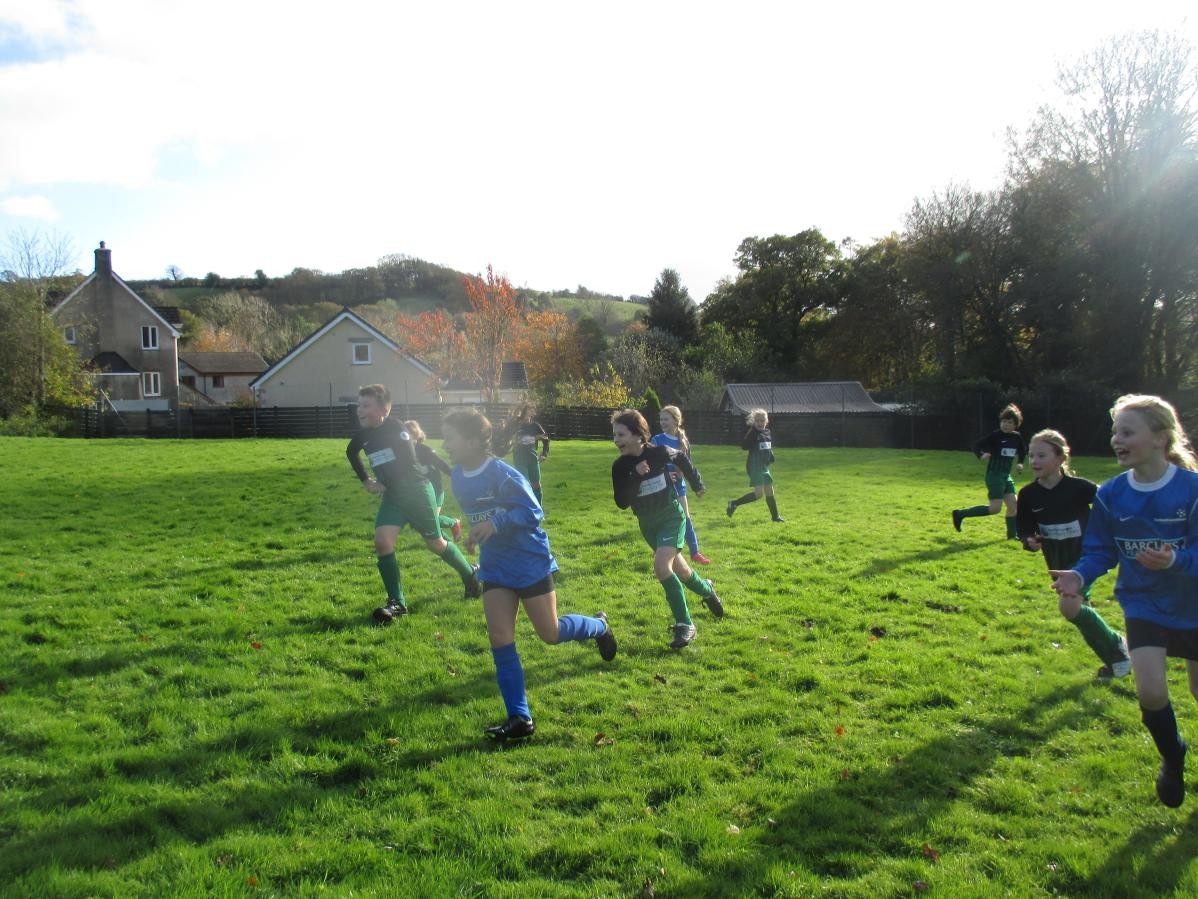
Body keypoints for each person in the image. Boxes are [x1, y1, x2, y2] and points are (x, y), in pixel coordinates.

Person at [1049, 395, 1198, 808]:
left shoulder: (1191, 490)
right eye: (1115, 432)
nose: (1117, 439)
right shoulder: (1112, 493)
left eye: (1128, 432)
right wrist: (1078, 575)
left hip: (1193, 604)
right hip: (1143, 603)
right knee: (1150, 692)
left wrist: (1176, 560)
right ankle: (1173, 757)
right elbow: (1100, 549)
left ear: (1160, 438)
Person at [443, 408, 616, 741]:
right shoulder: (458, 477)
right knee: (499, 637)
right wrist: (477, 535)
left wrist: (498, 523)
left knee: (550, 633)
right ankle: (520, 718)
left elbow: (533, 511)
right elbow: (479, 515)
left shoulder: (502, 474)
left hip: (528, 560)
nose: (445, 445)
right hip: (496, 566)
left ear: (473, 440)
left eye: (450, 438)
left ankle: (600, 626)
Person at [345, 385, 480, 624]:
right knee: (382, 542)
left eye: (366, 406)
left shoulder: (396, 428)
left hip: (416, 491)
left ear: (384, 409)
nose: (359, 410)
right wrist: (366, 480)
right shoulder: (364, 435)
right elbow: (351, 452)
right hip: (393, 497)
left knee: (435, 544)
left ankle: (470, 576)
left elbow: (408, 460)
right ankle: (397, 603)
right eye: (359, 405)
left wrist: (385, 483)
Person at [1016, 428, 1131, 679]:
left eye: (1041, 455)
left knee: (1069, 607)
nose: (1034, 461)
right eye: (1031, 455)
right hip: (1057, 562)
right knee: (1079, 612)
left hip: (1086, 560)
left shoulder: (1080, 488)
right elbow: (1023, 527)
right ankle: (1114, 663)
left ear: (1060, 458)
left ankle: (1117, 645)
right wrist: (1028, 540)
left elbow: (1110, 506)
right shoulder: (1027, 495)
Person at [612, 408, 724, 649]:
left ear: (638, 435)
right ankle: (707, 590)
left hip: (671, 517)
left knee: (661, 567)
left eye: (621, 435)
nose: (616, 440)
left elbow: (681, 458)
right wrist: (635, 476)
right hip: (648, 525)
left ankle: (685, 624)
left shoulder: (659, 452)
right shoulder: (620, 466)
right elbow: (621, 502)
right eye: (615, 435)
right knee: (682, 571)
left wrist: (697, 484)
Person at [952, 403, 1026, 539]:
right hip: (994, 476)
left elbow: (1022, 450)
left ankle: (1011, 537)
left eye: (1009, 422)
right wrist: (981, 454)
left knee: (1013, 506)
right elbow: (976, 445)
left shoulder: (1017, 437)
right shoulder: (995, 436)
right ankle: (960, 514)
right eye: (1004, 421)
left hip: (1006, 476)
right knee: (995, 509)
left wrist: (1020, 463)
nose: (1005, 424)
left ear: (1016, 425)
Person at [653, 405, 711, 565]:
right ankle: (659, 549)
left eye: (666, 419)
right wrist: (665, 473)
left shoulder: (683, 441)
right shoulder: (656, 440)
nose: (662, 422)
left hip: (679, 485)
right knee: (662, 518)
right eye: (661, 419)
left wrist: (697, 485)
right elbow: (652, 464)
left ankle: (695, 553)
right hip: (661, 486)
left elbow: (689, 466)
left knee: (685, 517)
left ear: (676, 420)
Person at [403, 419, 462, 543]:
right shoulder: (402, 453)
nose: (407, 438)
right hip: (418, 491)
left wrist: (457, 477)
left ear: (416, 435)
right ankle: (448, 544)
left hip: (435, 490)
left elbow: (442, 465)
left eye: (410, 434)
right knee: (421, 522)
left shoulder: (426, 451)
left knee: (431, 521)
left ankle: (453, 524)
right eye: (404, 434)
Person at [726, 408, 783, 522]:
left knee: (770, 491)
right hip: (755, 466)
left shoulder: (767, 432)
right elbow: (744, 446)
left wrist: (770, 455)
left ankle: (775, 517)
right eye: (757, 421)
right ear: (754, 422)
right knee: (759, 494)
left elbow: (767, 446)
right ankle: (734, 503)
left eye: (762, 420)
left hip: (764, 466)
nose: (760, 423)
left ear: (766, 421)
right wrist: (752, 436)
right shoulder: (753, 432)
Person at [506, 402, 550, 506]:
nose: (533, 411)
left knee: (536, 485)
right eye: (531, 409)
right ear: (524, 410)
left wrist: (544, 454)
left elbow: (546, 439)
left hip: (532, 458)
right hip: (519, 459)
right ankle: (526, 507)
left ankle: (538, 508)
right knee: (524, 485)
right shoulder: (516, 424)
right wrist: (535, 438)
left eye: (534, 409)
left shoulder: (535, 425)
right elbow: (515, 440)